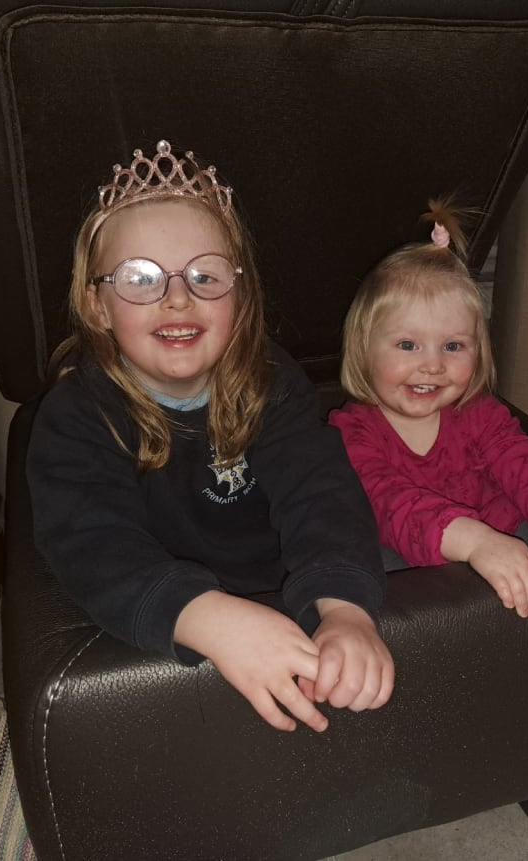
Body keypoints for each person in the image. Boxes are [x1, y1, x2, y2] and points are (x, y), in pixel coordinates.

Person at [26, 140, 394, 733]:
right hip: (166, 614)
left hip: (282, 589)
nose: (178, 297)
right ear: (97, 306)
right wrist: (207, 618)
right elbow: (91, 542)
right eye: (140, 278)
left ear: (238, 295)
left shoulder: (274, 381)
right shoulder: (76, 414)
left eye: (205, 275)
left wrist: (345, 610)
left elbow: (321, 494)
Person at [329, 199, 528, 619]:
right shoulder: (349, 432)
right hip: (414, 570)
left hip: (506, 541)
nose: (433, 365)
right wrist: (475, 542)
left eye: (453, 346)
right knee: (364, 576)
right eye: (408, 345)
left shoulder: (480, 414)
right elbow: (391, 504)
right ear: (363, 349)